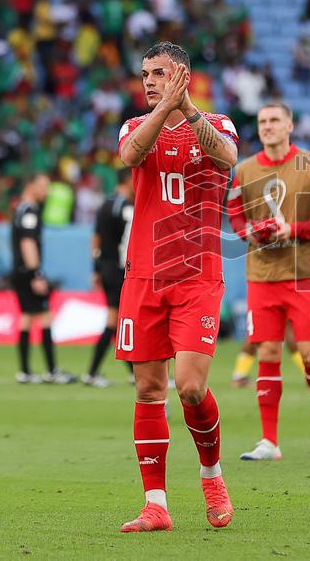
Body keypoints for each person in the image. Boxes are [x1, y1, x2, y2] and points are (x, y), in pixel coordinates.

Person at [115, 42, 239, 533]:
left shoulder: (218, 123)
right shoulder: (133, 126)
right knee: (148, 389)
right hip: (143, 275)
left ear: (182, 74)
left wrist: (184, 108)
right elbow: (130, 156)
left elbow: (227, 156)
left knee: (189, 386)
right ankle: (156, 505)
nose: (148, 80)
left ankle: (212, 476)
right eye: (144, 72)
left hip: (196, 275)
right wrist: (165, 106)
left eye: (158, 73)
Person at [226, 102, 310, 461]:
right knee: (268, 352)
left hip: (304, 274)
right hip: (262, 276)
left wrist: (292, 229)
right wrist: (252, 233)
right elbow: (234, 217)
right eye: (262, 122)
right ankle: (269, 442)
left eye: (275, 120)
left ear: (290, 124)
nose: (268, 126)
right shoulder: (244, 171)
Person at [10, 173, 75, 385]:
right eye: (43, 186)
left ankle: (25, 371)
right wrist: (36, 273)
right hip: (28, 272)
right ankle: (51, 370)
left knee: (27, 317)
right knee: (45, 316)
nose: (46, 191)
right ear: (31, 186)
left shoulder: (20, 209)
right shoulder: (30, 211)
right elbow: (27, 243)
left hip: (19, 270)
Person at [84, 168, 135, 388]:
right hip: (118, 270)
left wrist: (96, 268)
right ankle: (92, 373)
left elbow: (95, 238)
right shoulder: (125, 207)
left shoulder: (106, 203)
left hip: (106, 268)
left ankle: (133, 372)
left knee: (119, 320)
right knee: (116, 320)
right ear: (128, 180)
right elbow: (128, 243)